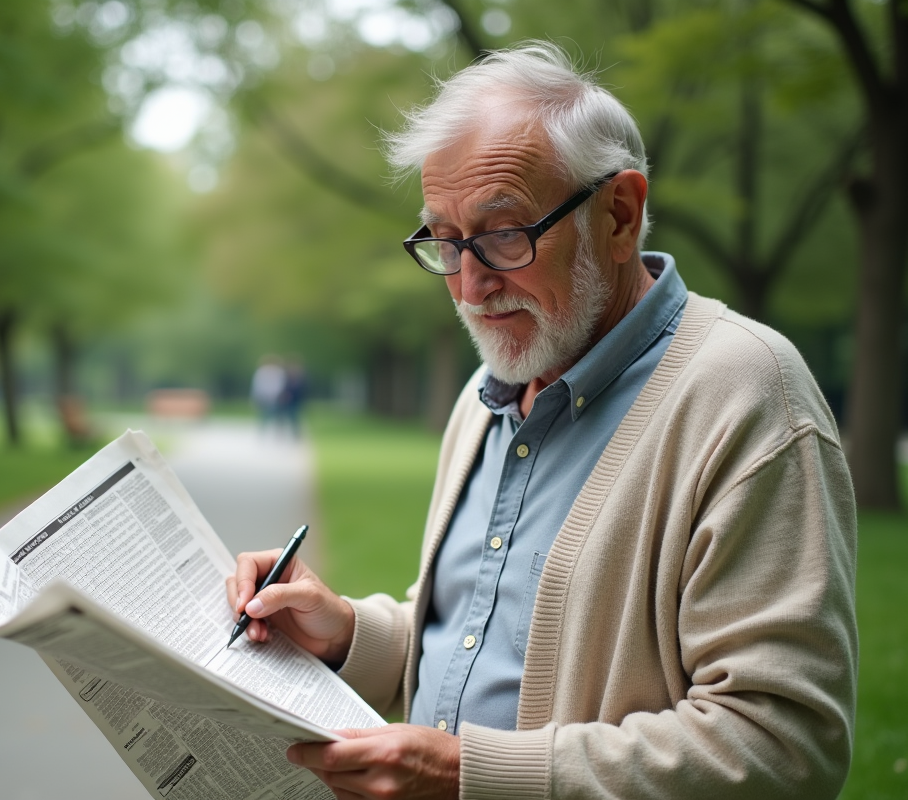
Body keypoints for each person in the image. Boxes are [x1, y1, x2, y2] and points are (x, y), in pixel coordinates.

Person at [227, 42, 857, 800]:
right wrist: (348, 635)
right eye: (445, 242)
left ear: (619, 215)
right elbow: (479, 640)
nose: (471, 284)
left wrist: (467, 775)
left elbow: (785, 746)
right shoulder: (489, 391)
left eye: (503, 233)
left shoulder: (747, 391)